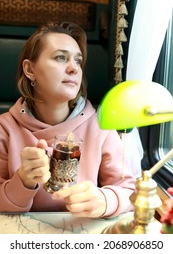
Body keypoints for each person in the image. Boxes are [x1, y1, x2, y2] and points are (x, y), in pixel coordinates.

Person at [0, 22, 136, 218]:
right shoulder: (5, 128)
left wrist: (105, 200)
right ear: (30, 70)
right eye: (61, 57)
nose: (74, 68)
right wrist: (23, 180)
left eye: (78, 61)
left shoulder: (100, 126)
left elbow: (129, 190)